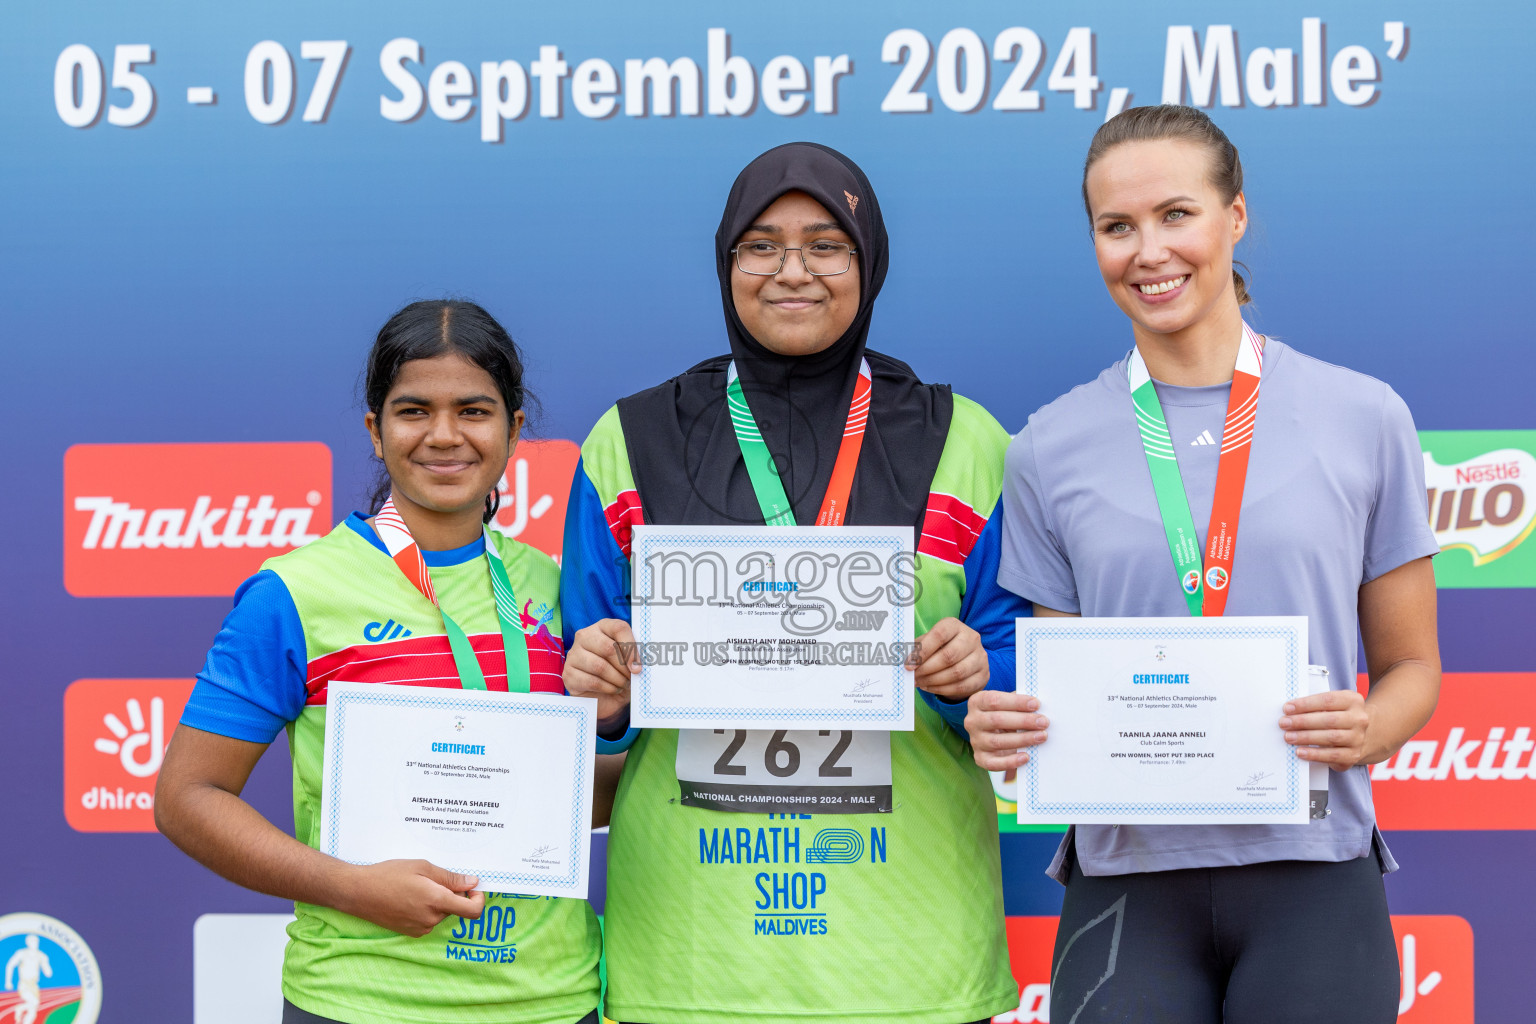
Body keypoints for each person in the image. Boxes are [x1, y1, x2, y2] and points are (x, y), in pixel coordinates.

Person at [965, 105, 1441, 1023]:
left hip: (1313, 874)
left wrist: (1369, 729)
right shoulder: (1047, 449)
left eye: (1176, 214)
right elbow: (1059, 693)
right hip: (1127, 885)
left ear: (1236, 217)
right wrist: (1010, 727)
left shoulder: (1364, 416)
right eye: (1117, 227)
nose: (1149, 251)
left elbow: (1414, 669)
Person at [559, 142, 1027, 1024]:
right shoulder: (629, 439)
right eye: (761, 245)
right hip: (691, 960)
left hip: (908, 958)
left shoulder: (966, 440)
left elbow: (1018, 677)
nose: (792, 271)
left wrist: (980, 678)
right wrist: (599, 686)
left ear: (869, 259)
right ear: (726, 260)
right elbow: (584, 698)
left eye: (826, 245)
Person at [155, 300, 609, 1024]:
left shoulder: (557, 587)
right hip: (359, 1000)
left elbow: (583, 798)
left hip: (551, 999)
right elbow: (187, 798)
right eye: (412, 411)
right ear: (375, 430)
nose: (443, 435)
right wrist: (349, 886)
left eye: (474, 410)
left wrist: (624, 722)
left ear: (515, 430)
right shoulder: (295, 592)